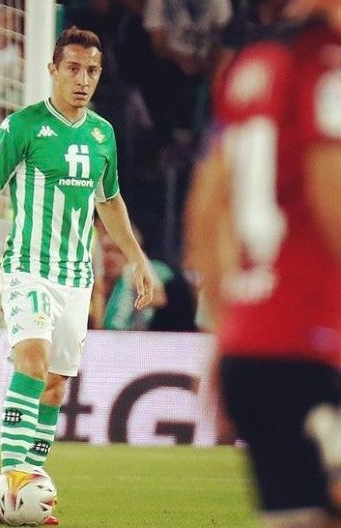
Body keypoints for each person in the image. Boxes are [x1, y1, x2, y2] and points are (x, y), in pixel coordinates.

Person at [0, 26, 154, 525]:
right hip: (27, 269)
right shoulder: (21, 127)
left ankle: (31, 489)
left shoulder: (102, 133)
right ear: (52, 70)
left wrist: (136, 258)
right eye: (72, 68)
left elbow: (109, 200)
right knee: (32, 359)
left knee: (54, 387)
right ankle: (8, 486)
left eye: (91, 71)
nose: (82, 79)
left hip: (76, 278)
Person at [185, 0, 341, 524]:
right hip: (317, 342)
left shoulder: (253, 63)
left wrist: (228, 330)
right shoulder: (326, 60)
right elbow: (332, 197)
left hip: (256, 344)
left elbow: (207, 205)